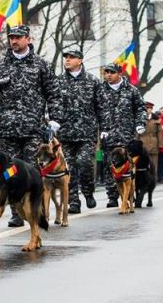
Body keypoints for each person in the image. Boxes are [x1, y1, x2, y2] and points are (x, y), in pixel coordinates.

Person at [0, 25, 62, 226]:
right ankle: (16, 212)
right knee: (9, 171)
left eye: (18, 37)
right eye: (11, 38)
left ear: (28, 39)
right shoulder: (1, 65)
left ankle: (36, 210)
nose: (14, 41)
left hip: (33, 129)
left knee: (32, 172)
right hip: (9, 129)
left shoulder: (40, 65)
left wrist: (55, 119)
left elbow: (53, 92)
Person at [56, 47, 101, 214]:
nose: (67, 59)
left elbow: (101, 107)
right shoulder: (58, 81)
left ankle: (88, 192)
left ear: (80, 60)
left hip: (86, 134)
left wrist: (103, 129)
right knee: (69, 169)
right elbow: (54, 105)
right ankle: (73, 201)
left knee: (85, 164)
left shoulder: (92, 81)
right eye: (65, 57)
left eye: (71, 57)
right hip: (66, 134)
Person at [98, 62, 146, 208]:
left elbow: (140, 108)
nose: (108, 75)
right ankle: (112, 196)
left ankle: (130, 194)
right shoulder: (100, 91)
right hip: (108, 136)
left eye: (111, 72)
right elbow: (96, 111)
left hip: (126, 135)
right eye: (106, 73)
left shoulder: (131, 90)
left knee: (128, 166)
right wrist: (101, 129)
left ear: (119, 74)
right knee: (109, 165)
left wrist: (140, 123)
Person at [139, 101, 159, 178]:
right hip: (143, 142)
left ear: (152, 109)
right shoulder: (140, 119)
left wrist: (161, 144)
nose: (148, 110)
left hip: (154, 142)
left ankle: (154, 177)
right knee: (144, 162)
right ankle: (145, 177)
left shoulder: (156, 119)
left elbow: (159, 133)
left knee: (154, 162)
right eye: (146, 108)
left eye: (149, 108)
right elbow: (137, 133)